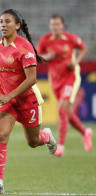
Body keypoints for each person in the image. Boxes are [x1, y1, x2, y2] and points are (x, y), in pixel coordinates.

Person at [0, 9, 57, 194]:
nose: (3, 25)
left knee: (33, 142)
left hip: (26, 99)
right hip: (5, 98)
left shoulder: (25, 48)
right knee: (1, 135)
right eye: (0, 21)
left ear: (17, 25)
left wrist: (11, 95)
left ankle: (46, 137)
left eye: (7, 21)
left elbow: (32, 79)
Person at [37, 15, 93, 156]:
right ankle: (85, 132)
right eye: (52, 24)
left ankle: (60, 146)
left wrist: (76, 62)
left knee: (62, 109)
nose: (55, 27)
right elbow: (38, 56)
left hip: (70, 78)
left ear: (62, 26)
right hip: (55, 81)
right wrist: (47, 57)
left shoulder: (70, 38)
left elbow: (84, 48)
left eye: (57, 24)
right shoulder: (45, 40)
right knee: (67, 113)